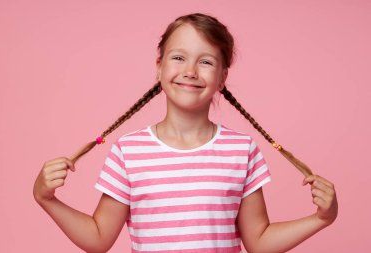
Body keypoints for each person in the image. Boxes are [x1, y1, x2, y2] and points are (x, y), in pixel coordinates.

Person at [33, 13, 338, 253]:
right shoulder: (129, 151)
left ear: (222, 78)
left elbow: (258, 241)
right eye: (178, 57)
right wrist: (46, 198)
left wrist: (321, 219)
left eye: (205, 62)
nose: (190, 70)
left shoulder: (241, 150)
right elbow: (98, 239)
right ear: (159, 66)